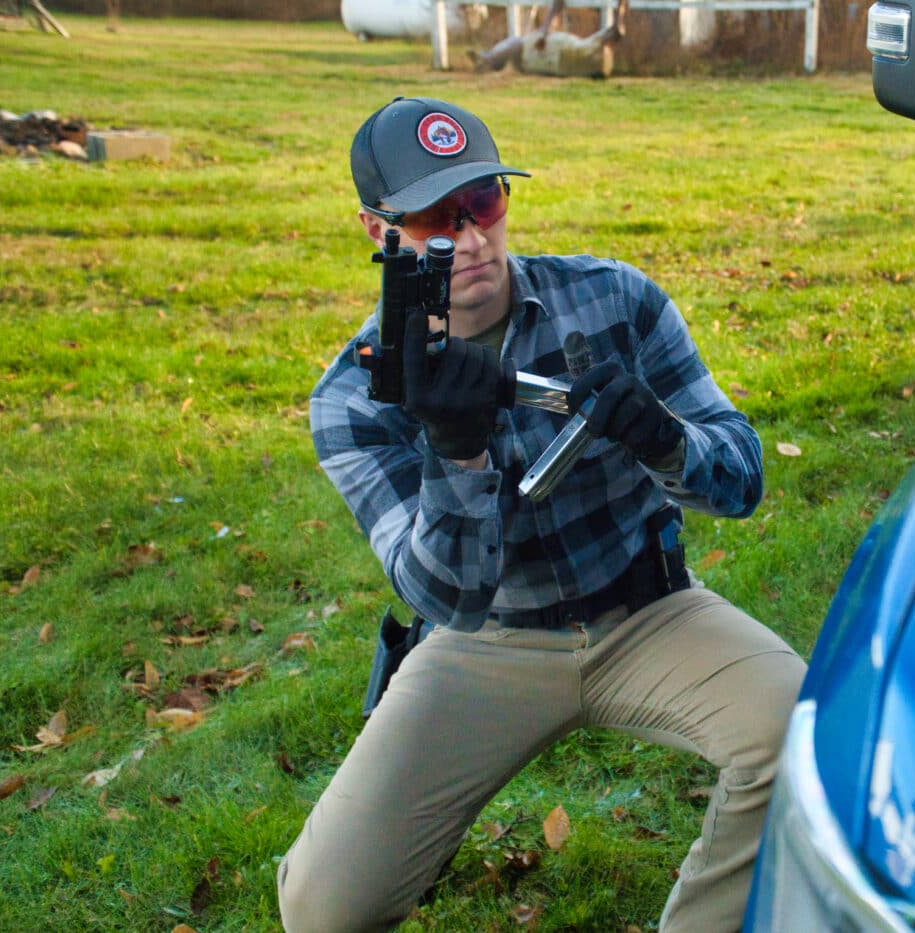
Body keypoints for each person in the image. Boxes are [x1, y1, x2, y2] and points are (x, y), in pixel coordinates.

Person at [276, 95, 806, 933]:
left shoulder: (616, 299)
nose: (473, 234)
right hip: (486, 641)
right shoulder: (356, 396)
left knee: (798, 736)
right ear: (380, 234)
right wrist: (456, 450)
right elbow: (447, 599)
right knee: (322, 904)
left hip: (648, 608)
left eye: (483, 199)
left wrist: (668, 444)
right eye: (433, 219)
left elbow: (742, 480)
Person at [469, 0, 628, 78]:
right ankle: (488, 59)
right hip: (562, 58)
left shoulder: (595, 52)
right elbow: (617, 31)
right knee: (523, 47)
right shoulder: (600, 59)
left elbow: (617, 30)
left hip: (556, 56)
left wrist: (545, 30)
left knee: (520, 46)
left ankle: (488, 59)